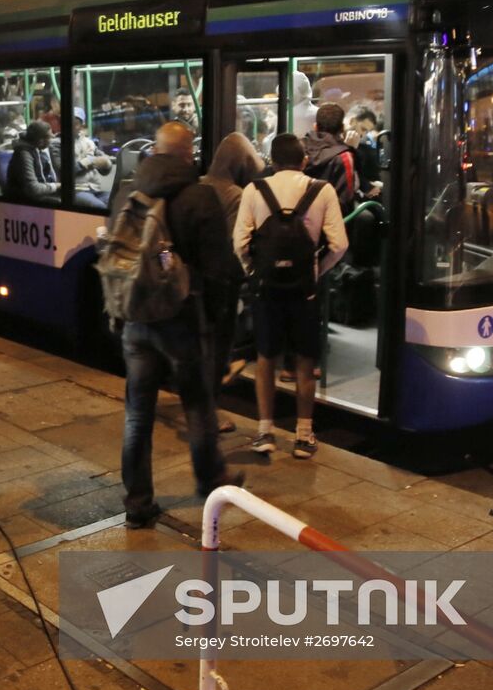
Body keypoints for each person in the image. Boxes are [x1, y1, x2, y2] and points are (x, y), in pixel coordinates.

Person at [115, 121, 243, 529]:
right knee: (198, 405)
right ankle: (211, 481)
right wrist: (220, 317)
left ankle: (137, 501)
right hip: (182, 320)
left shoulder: (128, 191)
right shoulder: (200, 196)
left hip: (135, 319)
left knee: (138, 414)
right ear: (189, 154)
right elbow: (220, 267)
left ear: (154, 149)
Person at [234, 132, 348, 459]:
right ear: (304, 161)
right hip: (305, 292)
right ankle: (303, 434)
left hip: (267, 290)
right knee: (304, 361)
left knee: (266, 359)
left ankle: (265, 432)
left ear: (271, 161)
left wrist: (255, 272)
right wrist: (316, 270)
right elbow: (339, 245)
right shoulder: (321, 190)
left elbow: (240, 243)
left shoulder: (254, 190)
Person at [201, 132, 266, 431]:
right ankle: (209, 412)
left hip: (196, 282)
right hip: (221, 284)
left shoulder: (198, 185)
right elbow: (237, 244)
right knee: (217, 347)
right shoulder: (236, 196)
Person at [302, 103, 358, 215]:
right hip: (331, 220)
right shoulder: (344, 156)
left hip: (299, 218)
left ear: (315, 126)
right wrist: (352, 149)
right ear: (342, 128)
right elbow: (346, 200)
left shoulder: (300, 147)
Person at [5, 120, 59, 206]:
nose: (52, 139)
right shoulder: (23, 154)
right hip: (23, 201)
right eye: (49, 137)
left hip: (41, 193)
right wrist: (56, 186)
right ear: (41, 141)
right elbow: (33, 189)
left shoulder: (39, 150)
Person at [71, 107, 113, 210]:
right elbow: (67, 171)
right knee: (99, 207)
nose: (72, 126)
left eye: (76, 123)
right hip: (77, 189)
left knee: (115, 204)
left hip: (94, 187)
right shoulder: (58, 143)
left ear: (81, 125)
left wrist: (106, 163)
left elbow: (105, 167)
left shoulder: (89, 142)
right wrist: (90, 160)